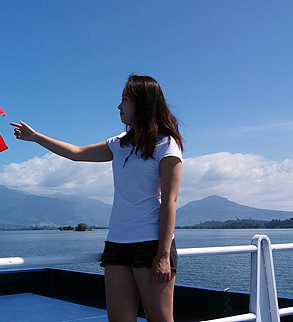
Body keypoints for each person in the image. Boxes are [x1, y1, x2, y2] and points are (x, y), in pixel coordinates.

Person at [10, 75, 183, 322]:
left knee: (160, 318)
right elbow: (77, 153)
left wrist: (164, 255)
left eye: (124, 99)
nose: (119, 106)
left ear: (142, 103)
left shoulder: (166, 145)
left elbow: (169, 202)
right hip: (117, 244)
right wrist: (36, 137)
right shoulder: (119, 144)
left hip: (151, 244)